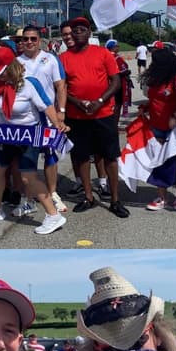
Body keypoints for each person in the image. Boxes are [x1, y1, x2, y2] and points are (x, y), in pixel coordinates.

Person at [0, 47, 69, 235]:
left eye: (2, 71)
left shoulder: (29, 84)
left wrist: (58, 124)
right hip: (5, 134)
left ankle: (53, 215)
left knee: (27, 177)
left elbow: (47, 106)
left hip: (29, 135)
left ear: (11, 67)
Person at [59, 17, 128, 217]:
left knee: (110, 157)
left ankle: (115, 199)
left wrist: (100, 100)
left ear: (89, 33)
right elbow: (61, 87)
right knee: (81, 157)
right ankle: (88, 196)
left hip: (103, 113)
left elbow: (115, 81)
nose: (78, 32)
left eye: (82, 29)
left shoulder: (103, 53)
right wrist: (75, 101)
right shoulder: (64, 58)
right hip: (77, 115)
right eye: (75, 30)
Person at [17, 25, 68, 214]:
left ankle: (52, 193)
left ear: (39, 41)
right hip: (25, 119)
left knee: (50, 155)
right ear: (21, 42)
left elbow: (61, 86)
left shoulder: (50, 59)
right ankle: (28, 197)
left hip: (48, 115)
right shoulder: (16, 62)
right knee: (25, 158)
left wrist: (60, 111)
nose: (29, 42)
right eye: (25, 39)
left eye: (33, 39)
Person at [135, 47, 176, 211]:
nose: (153, 64)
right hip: (157, 126)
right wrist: (145, 108)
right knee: (159, 162)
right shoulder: (155, 79)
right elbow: (154, 100)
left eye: (156, 61)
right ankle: (161, 197)